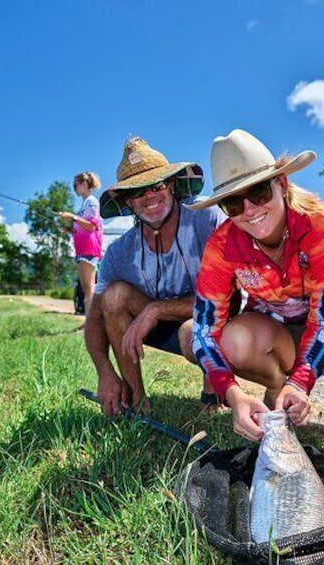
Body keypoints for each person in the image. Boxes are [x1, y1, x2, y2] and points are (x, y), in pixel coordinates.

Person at [189, 129, 324, 459]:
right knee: (232, 339)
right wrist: (233, 395)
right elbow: (202, 331)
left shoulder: (322, 223)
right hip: (276, 338)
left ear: (281, 184)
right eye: (233, 203)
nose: (250, 210)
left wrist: (301, 382)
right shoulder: (222, 246)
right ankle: (275, 388)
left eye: (258, 193)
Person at [85, 136, 225, 416]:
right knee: (113, 297)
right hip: (154, 327)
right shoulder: (118, 253)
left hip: (208, 321)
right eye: (137, 191)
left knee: (195, 331)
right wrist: (105, 372)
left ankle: (212, 395)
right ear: (127, 201)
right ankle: (136, 399)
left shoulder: (206, 218)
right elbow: (94, 319)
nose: (150, 196)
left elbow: (225, 299)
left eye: (157, 185)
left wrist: (157, 308)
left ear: (171, 185)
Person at [58, 171, 104, 315]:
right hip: (83, 250)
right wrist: (70, 230)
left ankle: (90, 324)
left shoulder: (91, 201)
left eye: (75, 185)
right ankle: (89, 322)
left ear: (84, 184)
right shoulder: (84, 204)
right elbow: (83, 229)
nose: (74, 188)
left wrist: (72, 217)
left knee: (88, 289)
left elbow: (92, 226)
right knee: (87, 289)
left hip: (89, 250)